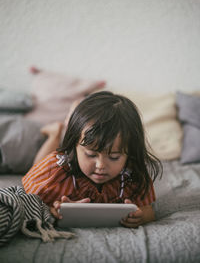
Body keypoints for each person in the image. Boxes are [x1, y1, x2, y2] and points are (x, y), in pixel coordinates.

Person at [22, 91, 162, 228]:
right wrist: (51, 210)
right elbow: (29, 201)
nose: (101, 165)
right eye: (91, 155)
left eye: (114, 157)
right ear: (75, 146)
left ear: (129, 152)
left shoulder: (133, 176)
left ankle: (74, 117)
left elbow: (148, 211)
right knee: (40, 163)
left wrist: (141, 216)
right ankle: (55, 133)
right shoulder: (54, 170)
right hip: (64, 160)